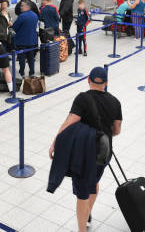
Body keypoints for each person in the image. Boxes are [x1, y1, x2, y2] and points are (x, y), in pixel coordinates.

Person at [48, 67, 122, 232]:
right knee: (94, 182)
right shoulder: (115, 102)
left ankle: (82, 229)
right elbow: (116, 131)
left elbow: (70, 121)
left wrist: (55, 143)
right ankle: (88, 214)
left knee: (82, 193)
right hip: (103, 153)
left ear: (88, 80)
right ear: (106, 83)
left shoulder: (82, 99)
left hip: (84, 154)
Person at [13, 1, 39, 77]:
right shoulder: (35, 15)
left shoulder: (22, 16)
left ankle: (22, 73)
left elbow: (14, 27)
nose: (20, 7)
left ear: (27, 7)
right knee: (31, 57)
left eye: (22, 6)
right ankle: (32, 72)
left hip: (22, 41)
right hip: (32, 40)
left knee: (22, 58)